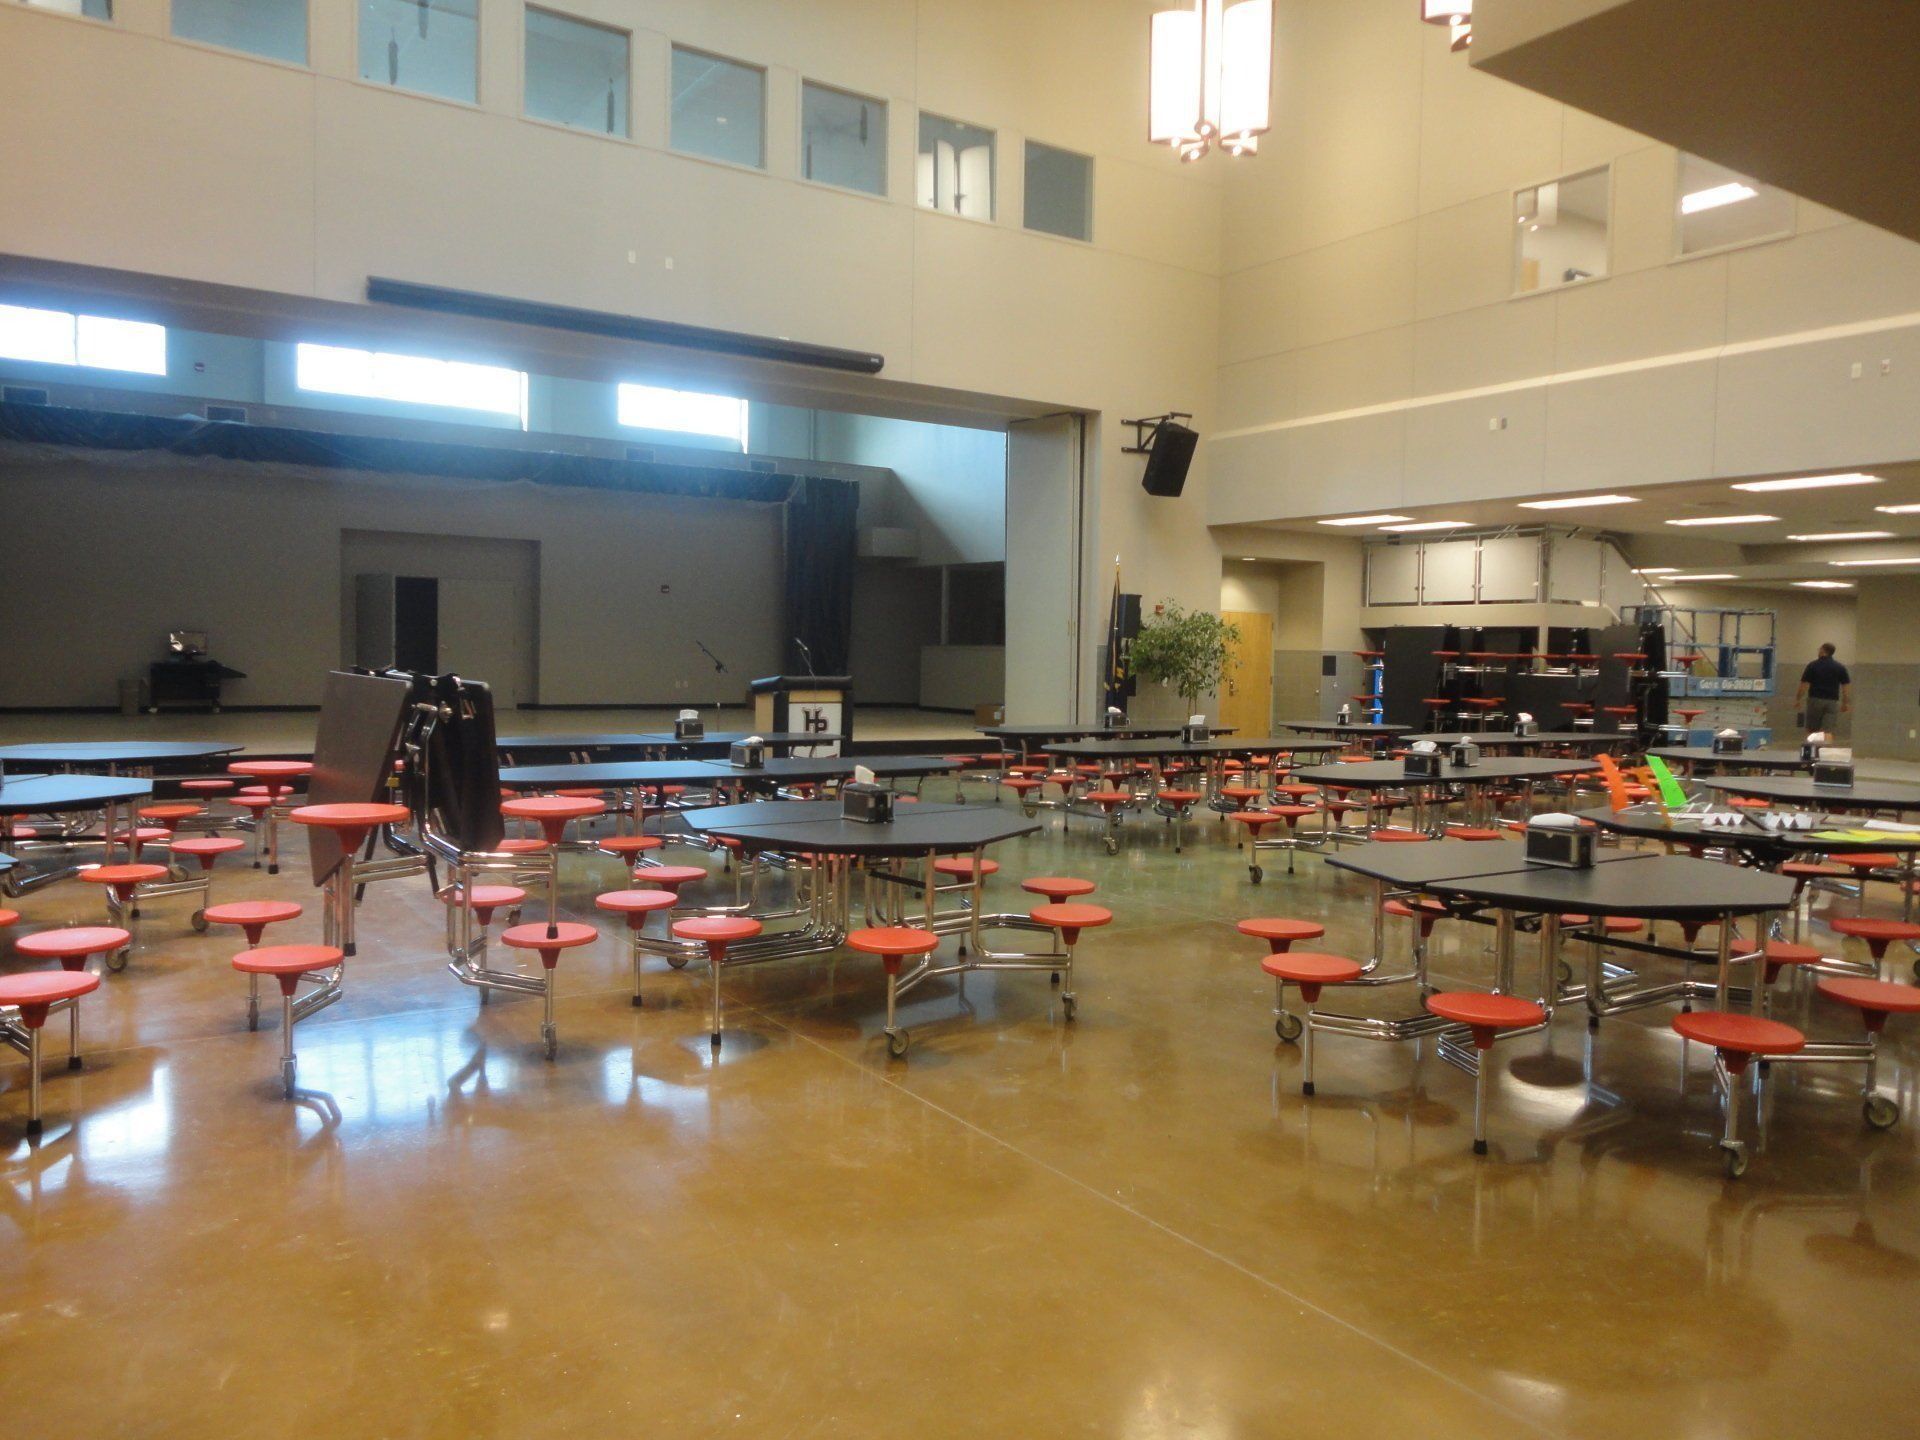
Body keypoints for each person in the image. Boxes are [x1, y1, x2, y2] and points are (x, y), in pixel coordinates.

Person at [1795, 642, 1851, 736]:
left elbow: (1804, 685)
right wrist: (1845, 703)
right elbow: (1846, 687)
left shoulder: (1813, 665)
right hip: (1832, 701)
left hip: (1815, 700)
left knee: (1812, 730)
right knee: (1828, 731)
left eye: (1819, 649)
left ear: (1822, 650)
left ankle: (1812, 750)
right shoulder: (1840, 667)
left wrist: (1798, 699)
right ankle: (1825, 750)